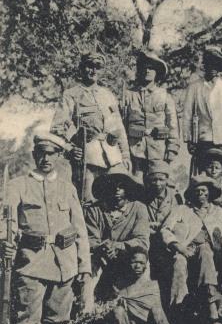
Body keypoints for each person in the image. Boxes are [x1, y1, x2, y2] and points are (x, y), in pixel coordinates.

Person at [1, 134, 91, 324]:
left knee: (56, 319)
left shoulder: (67, 187)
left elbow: (80, 229)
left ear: (59, 157)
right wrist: (4, 241)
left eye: (51, 154)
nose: (46, 158)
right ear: (34, 155)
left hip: (65, 264)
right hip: (32, 263)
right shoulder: (19, 185)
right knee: (27, 321)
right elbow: (6, 221)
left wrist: (84, 266)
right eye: (41, 153)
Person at [51, 52, 130, 202]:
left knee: (114, 200)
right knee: (88, 200)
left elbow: (118, 127)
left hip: (112, 157)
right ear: (81, 68)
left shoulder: (107, 95)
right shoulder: (71, 95)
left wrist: (125, 155)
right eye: (89, 66)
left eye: (98, 67)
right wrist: (70, 149)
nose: (93, 71)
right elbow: (57, 128)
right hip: (87, 157)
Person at [160, 176, 222, 309]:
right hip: (186, 248)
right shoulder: (182, 210)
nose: (201, 194)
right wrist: (180, 248)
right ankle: (178, 303)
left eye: (204, 191)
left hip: (210, 250)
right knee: (179, 262)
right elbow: (165, 230)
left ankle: (210, 296)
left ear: (209, 192)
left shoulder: (218, 212)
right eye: (197, 191)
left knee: (205, 250)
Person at [85, 169, 150, 302]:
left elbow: (142, 240)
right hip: (101, 256)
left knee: (141, 266)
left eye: (121, 186)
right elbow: (90, 238)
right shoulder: (94, 210)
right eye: (112, 185)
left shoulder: (139, 209)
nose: (117, 190)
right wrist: (103, 248)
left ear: (128, 189)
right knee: (88, 275)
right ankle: (86, 311)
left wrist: (118, 247)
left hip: (128, 257)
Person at [103, 249, 177, 324]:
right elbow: (112, 314)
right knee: (118, 311)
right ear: (129, 263)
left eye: (141, 263)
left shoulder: (153, 286)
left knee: (157, 310)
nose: (137, 266)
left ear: (146, 265)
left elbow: (159, 318)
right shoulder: (120, 285)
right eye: (134, 262)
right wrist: (118, 301)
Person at [122, 50, 179, 178]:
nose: (147, 71)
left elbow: (173, 125)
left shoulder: (164, 96)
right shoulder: (129, 95)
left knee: (158, 183)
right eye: (145, 67)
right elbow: (122, 125)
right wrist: (124, 151)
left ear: (157, 72)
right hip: (135, 151)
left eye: (151, 68)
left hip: (159, 151)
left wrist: (172, 149)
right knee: (136, 184)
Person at [183, 47, 222, 176]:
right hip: (202, 139)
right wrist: (189, 139)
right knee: (203, 172)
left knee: (220, 173)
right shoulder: (194, 87)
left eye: (217, 64)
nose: (213, 68)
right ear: (205, 65)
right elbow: (187, 115)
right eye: (210, 63)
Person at [142, 160, 182, 306]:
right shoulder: (142, 197)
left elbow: (177, 220)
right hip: (147, 241)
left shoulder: (175, 198)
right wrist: (147, 226)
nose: (157, 183)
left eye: (161, 179)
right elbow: (138, 219)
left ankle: (170, 305)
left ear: (167, 179)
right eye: (154, 180)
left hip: (167, 243)